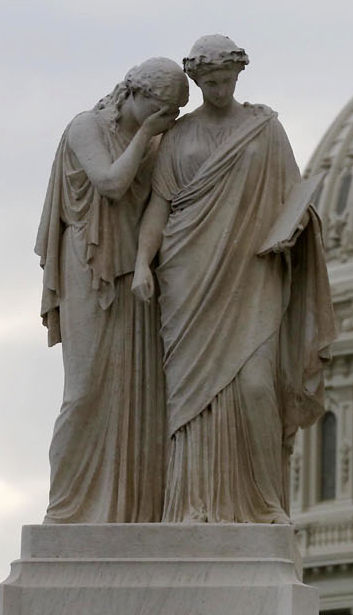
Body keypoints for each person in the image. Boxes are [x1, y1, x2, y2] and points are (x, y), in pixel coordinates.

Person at [133, 35, 334, 523]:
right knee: (191, 399)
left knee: (256, 387)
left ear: (239, 76)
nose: (218, 89)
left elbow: (293, 198)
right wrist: (142, 263)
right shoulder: (177, 136)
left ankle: (265, 503)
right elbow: (159, 206)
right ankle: (192, 505)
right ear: (197, 82)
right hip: (188, 275)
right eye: (209, 83)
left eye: (225, 80)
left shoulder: (264, 129)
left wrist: (294, 231)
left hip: (253, 270)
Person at [37, 57, 189, 523]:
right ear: (134, 94)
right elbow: (111, 183)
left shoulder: (159, 140)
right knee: (84, 391)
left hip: (137, 274)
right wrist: (147, 136)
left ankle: (131, 512)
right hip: (90, 264)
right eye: (163, 110)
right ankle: (67, 510)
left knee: (136, 396)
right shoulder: (86, 126)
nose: (168, 121)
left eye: (175, 115)